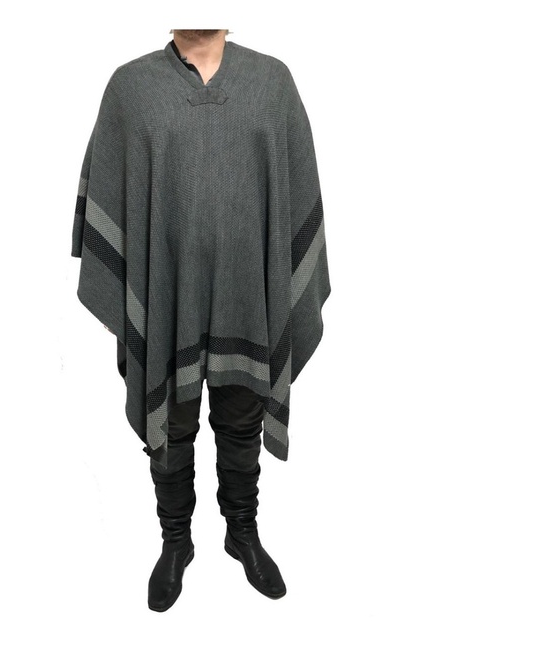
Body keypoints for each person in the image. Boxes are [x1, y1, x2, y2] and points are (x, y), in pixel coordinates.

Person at [71, 28, 331, 612]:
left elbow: (297, 189)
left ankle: (242, 533)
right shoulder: (131, 87)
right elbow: (111, 186)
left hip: (248, 293)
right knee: (172, 421)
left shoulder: (272, 82)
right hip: (167, 294)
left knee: (241, 420)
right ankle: (176, 542)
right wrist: (125, 288)